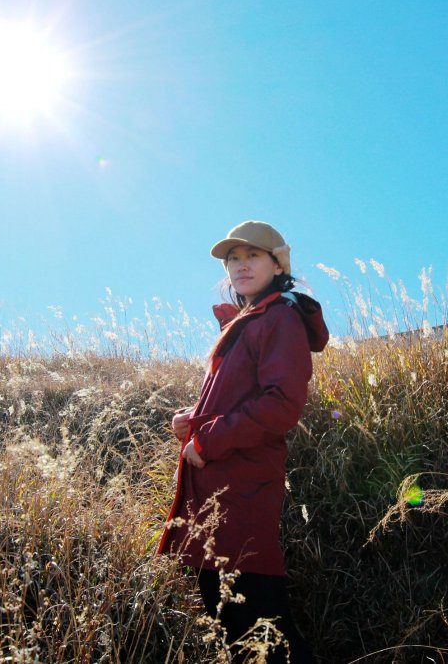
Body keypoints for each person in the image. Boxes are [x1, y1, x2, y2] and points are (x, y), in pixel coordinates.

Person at [157, 220, 329, 663]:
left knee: (260, 625)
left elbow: (280, 404)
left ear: (278, 263)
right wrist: (192, 420)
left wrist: (208, 439)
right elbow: (239, 397)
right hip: (218, 489)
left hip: (242, 490)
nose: (240, 265)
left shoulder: (281, 317)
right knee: (231, 620)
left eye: (252, 255)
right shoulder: (249, 320)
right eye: (233, 258)